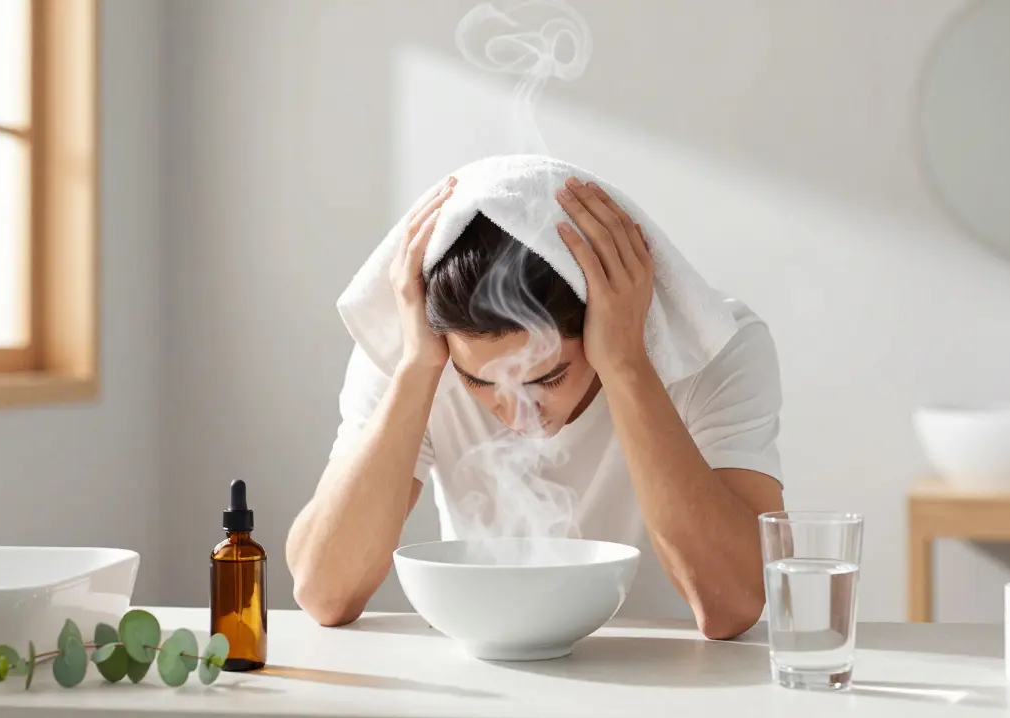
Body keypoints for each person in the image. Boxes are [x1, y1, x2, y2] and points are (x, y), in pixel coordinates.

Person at [285, 173, 784, 640]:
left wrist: (628, 365)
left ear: (603, 323)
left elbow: (734, 605)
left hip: (675, 678)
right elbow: (325, 593)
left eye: (548, 377)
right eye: (480, 381)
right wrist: (416, 370)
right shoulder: (411, 355)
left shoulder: (715, 348)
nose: (518, 411)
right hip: (489, 679)